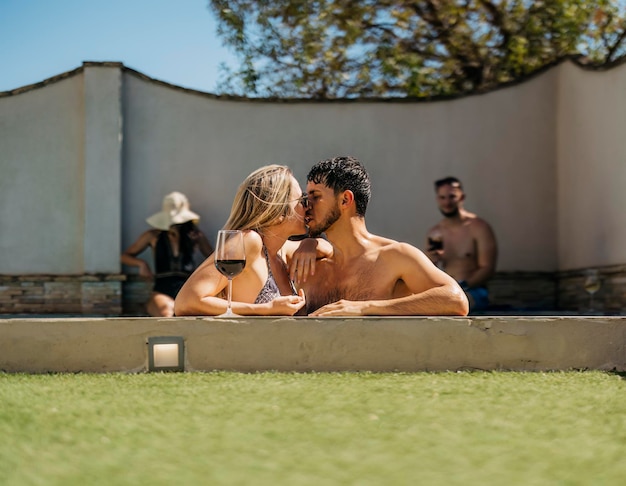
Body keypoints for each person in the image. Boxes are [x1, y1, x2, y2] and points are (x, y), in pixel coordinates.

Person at [293, 156, 469, 316]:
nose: (307, 206)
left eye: (315, 196)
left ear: (345, 200)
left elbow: (456, 301)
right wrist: (309, 242)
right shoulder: (310, 264)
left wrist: (365, 308)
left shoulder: (395, 256)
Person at [174, 165, 331, 316]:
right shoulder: (250, 241)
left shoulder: (280, 250)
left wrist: (310, 243)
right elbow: (186, 302)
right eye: (302, 200)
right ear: (279, 213)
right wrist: (265, 309)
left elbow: (329, 250)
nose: (308, 207)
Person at [121, 191, 213, 317]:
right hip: (162, 288)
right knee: (166, 313)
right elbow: (125, 256)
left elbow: (215, 260)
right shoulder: (153, 236)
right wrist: (141, 264)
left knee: (186, 316)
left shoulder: (195, 236)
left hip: (187, 288)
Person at [425, 176, 498, 312]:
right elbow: (429, 269)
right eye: (442, 197)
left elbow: (487, 268)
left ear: (462, 197)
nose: (447, 202)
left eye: (452, 197)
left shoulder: (478, 227)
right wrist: (432, 260)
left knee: (450, 304)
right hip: (446, 291)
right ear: (437, 200)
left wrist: (462, 286)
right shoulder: (435, 232)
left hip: (474, 291)